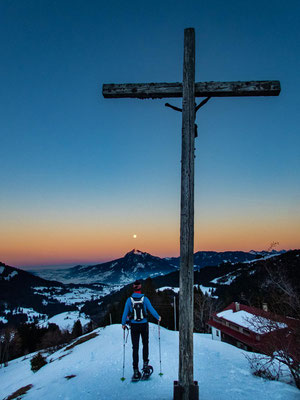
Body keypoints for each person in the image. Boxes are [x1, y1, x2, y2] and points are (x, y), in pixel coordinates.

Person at [122, 280, 161, 380]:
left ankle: (135, 371)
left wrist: (123, 324)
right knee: (145, 345)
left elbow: (125, 312)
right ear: (140, 287)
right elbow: (151, 309)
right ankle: (145, 367)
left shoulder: (129, 300)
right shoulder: (145, 299)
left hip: (134, 326)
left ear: (133, 287)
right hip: (144, 324)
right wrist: (158, 317)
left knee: (135, 347)